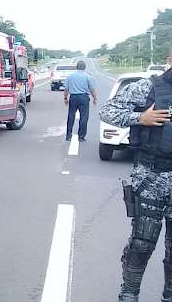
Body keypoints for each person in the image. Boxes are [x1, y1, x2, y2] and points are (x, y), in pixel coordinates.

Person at [100, 46, 172, 302]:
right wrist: (140, 117)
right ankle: (129, 293)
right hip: (151, 176)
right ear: (170, 58)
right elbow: (107, 111)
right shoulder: (147, 87)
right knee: (142, 242)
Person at [64, 60, 98, 141]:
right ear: (84, 67)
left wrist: (65, 98)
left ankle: (68, 136)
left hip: (73, 97)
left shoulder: (70, 76)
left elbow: (66, 89)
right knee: (84, 117)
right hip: (83, 97)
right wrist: (94, 98)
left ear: (76, 67)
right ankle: (81, 137)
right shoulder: (88, 77)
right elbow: (92, 89)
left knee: (71, 116)